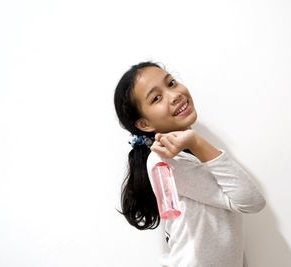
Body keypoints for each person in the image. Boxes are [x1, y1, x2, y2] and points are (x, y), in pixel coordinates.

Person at [113, 61, 266, 267]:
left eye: (172, 83)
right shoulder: (163, 161)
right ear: (144, 124)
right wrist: (196, 141)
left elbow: (224, 227)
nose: (174, 95)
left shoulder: (188, 154)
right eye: (156, 98)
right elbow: (249, 201)